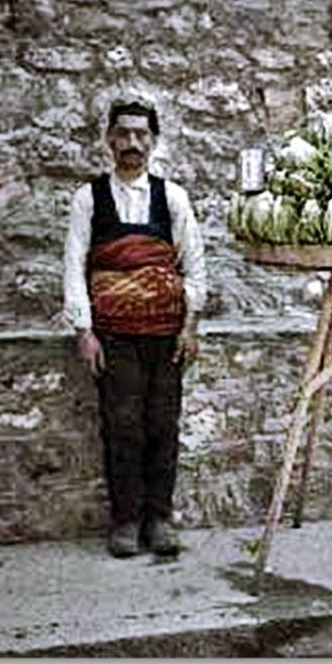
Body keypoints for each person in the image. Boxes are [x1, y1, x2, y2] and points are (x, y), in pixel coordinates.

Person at [63, 95, 206, 557]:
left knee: (163, 423)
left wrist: (190, 326)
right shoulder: (89, 198)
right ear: (108, 140)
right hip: (114, 338)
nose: (132, 143)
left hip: (167, 335)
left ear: (154, 141)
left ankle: (159, 519)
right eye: (123, 134)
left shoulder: (173, 197)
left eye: (141, 134)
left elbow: (194, 266)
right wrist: (84, 330)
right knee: (122, 425)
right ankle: (125, 522)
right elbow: (74, 265)